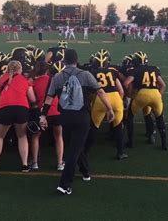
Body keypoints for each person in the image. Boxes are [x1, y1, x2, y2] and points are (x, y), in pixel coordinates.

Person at [39, 49, 115, 195]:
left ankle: (85, 172)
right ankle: (65, 184)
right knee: (74, 150)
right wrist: (110, 109)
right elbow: (100, 92)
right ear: (77, 59)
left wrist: (43, 115)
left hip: (65, 117)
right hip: (82, 117)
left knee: (74, 147)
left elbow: (49, 98)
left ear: (63, 61)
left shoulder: (57, 77)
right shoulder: (86, 75)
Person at [0, 60, 37, 173]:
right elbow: (33, 99)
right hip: (21, 109)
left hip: (4, 108)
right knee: (22, 136)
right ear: (20, 69)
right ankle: (24, 164)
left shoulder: (1, 79)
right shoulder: (25, 80)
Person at [123, 51, 168, 150]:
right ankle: (163, 142)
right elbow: (163, 85)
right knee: (158, 118)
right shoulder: (154, 69)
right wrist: (158, 96)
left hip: (142, 94)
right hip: (155, 94)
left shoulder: (135, 69)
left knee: (130, 116)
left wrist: (129, 94)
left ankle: (130, 142)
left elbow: (126, 82)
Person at [89, 50, 127, 160]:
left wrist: (92, 103)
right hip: (115, 98)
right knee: (118, 126)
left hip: (101, 99)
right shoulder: (113, 71)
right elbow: (121, 91)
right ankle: (120, 152)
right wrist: (119, 102)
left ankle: (85, 151)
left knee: (94, 127)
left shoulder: (92, 73)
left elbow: (92, 92)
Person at [29, 61, 64, 171]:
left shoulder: (34, 82)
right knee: (58, 136)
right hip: (56, 111)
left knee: (36, 136)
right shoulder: (53, 80)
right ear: (47, 70)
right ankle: (59, 163)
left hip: (42, 112)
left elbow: (33, 100)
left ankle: (34, 162)